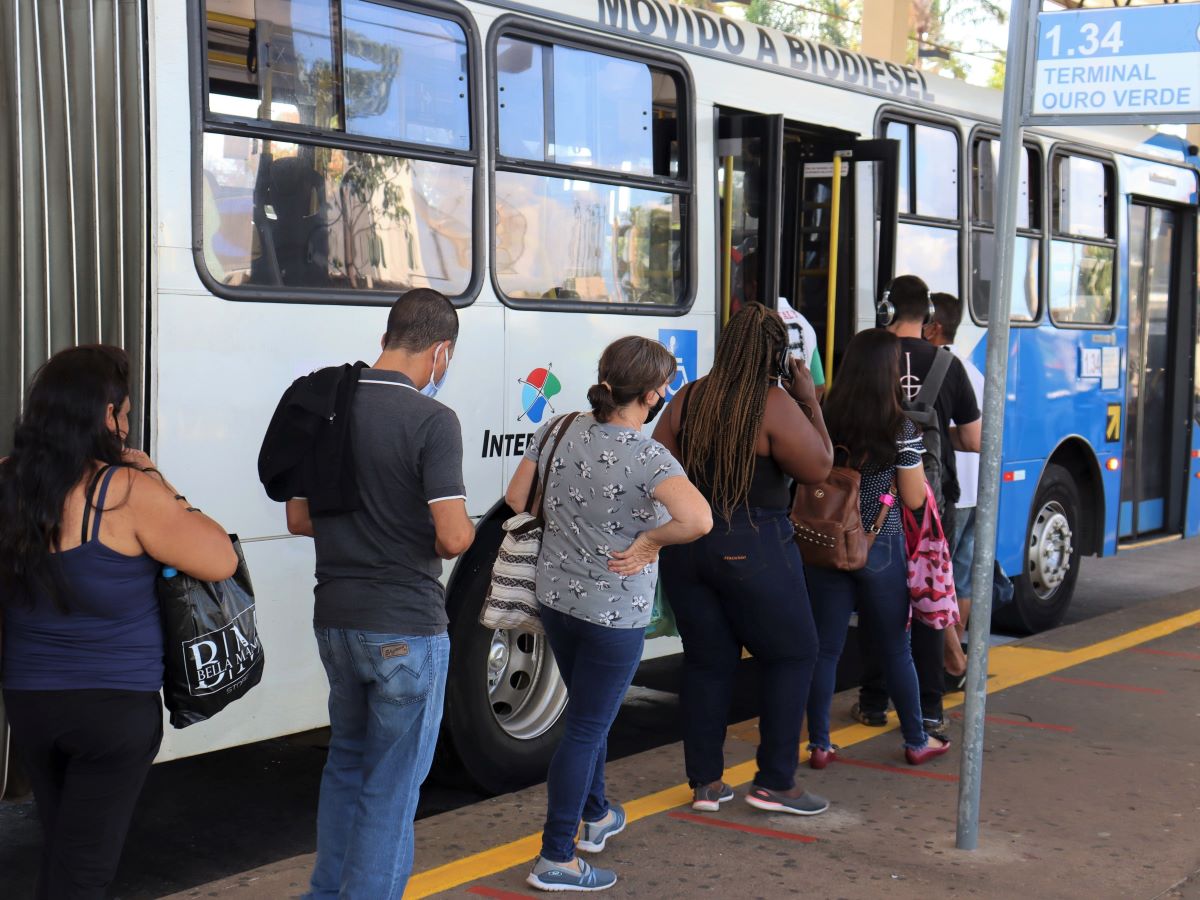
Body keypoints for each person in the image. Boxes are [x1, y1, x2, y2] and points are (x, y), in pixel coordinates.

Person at [0, 345, 238, 899]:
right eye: (125, 414)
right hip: (113, 711)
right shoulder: (126, 492)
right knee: (84, 872)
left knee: (64, 846)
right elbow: (219, 558)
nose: (128, 427)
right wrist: (158, 477)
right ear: (104, 416)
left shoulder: (8, 482)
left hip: (30, 702)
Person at [285, 289, 475, 900]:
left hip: (335, 621)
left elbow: (298, 517)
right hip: (406, 628)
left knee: (346, 764)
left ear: (386, 337)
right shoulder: (432, 420)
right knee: (392, 788)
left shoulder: (329, 406)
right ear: (441, 353)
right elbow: (451, 538)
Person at [506, 336, 711, 893]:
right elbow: (698, 520)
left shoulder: (559, 428)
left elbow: (518, 497)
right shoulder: (648, 455)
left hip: (555, 601)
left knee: (586, 715)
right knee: (586, 728)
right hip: (613, 615)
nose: (666, 394)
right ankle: (556, 858)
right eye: (663, 387)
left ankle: (595, 815)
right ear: (648, 394)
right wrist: (648, 542)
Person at [655, 303, 834, 817]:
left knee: (709, 662)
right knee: (795, 652)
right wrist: (809, 402)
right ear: (776, 355)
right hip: (752, 543)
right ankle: (776, 781)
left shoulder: (689, 397)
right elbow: (820, 467)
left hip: (689, 546)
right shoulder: (773, 402)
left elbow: (656, 462)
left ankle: (706, 784)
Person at [804, 329, 952, 768]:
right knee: (894, 648)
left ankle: (819, 743)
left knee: (825, 650)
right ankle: (915, 739)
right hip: (877, 542)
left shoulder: (823, 417)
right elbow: (913, 499)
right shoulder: (899, 427)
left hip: (827, 539)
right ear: (889, 372)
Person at [853, 275, 982, 733]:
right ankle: (929, 708)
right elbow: (974, 439)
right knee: (926, 598)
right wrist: (928, 433)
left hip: (872, 506)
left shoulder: (864, 357)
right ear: (928, 317)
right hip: (927, 506)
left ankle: (872, 701)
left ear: (886, 310)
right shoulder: (948, 366)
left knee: (877, 601)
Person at [924, 291, 984, 686]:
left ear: (935, 327)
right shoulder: (974, 370)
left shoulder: (942, 370)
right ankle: (954, 660)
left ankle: (954, 661)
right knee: (959, 579)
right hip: (976, 490)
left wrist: (929, 430)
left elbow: (969, 437)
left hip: (949, 491)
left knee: (937, 582)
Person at [741, 250, 826, 397]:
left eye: (740, 283)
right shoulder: (805, 324)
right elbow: (819, 386)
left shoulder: (752, 322)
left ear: (754, 286)